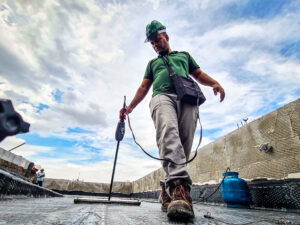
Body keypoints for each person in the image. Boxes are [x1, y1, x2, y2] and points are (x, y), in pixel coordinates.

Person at [123, 20, 225, 220]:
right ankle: (179, 189)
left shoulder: (184, 56)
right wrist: (130, 107)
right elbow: (143, 88)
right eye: (152, 43)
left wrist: (214, 82)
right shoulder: (152, 64)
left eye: (157, 40)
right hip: (162, 98)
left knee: (183, 144)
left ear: (166, 37)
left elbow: (198, 74)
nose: (155, 45)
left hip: (187, 97)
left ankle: (166, 188)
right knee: (168, 132)